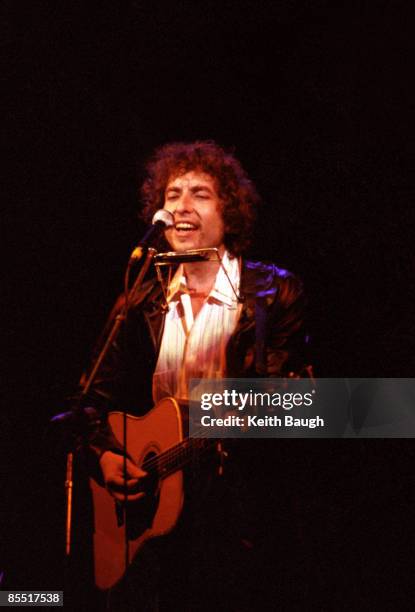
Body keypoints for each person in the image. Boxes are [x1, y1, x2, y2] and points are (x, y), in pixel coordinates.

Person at [80, 141, 311, 611]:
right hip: (160, 523)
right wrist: (105, 455)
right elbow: (87, 403)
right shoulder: (140, 299)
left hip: (240, 506)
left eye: (200, 194)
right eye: (171, 195)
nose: (180, 207)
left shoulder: (273, 292)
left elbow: (291, 404)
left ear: (229, 210)